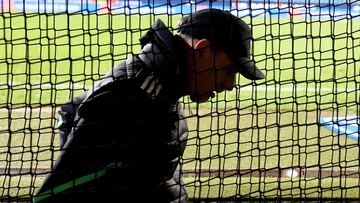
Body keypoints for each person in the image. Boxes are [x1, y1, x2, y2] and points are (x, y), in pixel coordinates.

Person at [33, 8, 265, 203]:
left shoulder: (161, 87)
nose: (230, 84)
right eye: (228, 70)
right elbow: (55, 194)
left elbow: (72, 108)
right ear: (202, 50)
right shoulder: (130, 97)